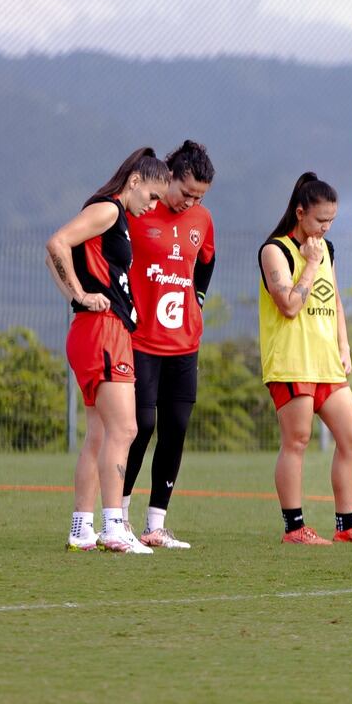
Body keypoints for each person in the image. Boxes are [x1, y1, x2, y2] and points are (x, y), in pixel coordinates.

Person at [47, 148, 171, 553]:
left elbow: (55, 255)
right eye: (151, 195)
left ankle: (81, 528)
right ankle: (114, 526)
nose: (152, 205)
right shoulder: (109, 210)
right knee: (126, 429)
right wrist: (81, 295)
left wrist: (76, 297)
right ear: (134, 181)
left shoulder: (114, 217)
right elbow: (57, 243)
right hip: (102, 331)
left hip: (95, 331)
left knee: (99, 434)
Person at [258, 173, 352, 545]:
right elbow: (289, 305)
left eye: (331, 220)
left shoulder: (326, 248)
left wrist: (343, 345)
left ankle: (347, 525)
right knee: (297, 440)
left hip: (326, 361)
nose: (326, 227)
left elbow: (334, 300)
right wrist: (311, 264)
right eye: (320, 220)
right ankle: (294, 528)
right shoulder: (275, 251)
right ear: (300, 213)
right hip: (292, 361)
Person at [121, 139, 215, 549]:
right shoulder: (139, 210)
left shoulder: (202, 219)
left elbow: (207, 260)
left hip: (184, 343)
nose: (190, 202)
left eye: (199, 197)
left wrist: (198, 298)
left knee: (175, 429)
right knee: (140, 426)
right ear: (169, 177)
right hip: (141, 340)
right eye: (186, 192)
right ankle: (118, 518)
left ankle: (155, 525)